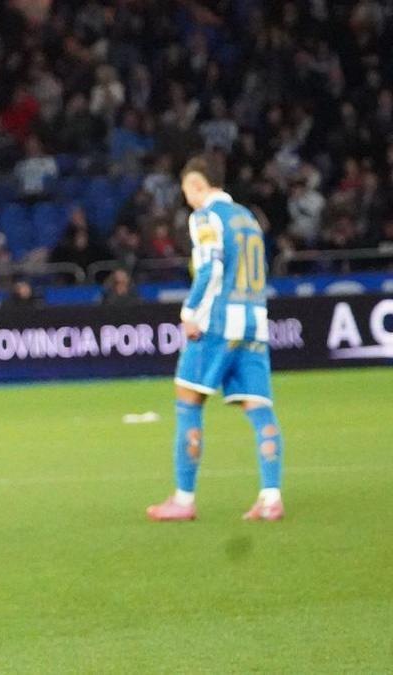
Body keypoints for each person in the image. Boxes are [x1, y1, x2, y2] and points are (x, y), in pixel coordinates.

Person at [147, 156, 285, 522]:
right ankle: (271, 498)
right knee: (260, 408)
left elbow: (210, 268)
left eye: (186, 190)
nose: (186, 198)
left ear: (197, 184)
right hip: (254, 319)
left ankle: (183, 499)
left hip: (220, 321)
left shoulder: (206, 217)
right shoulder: (248, 218)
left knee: (188, 401)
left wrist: (190, 312)